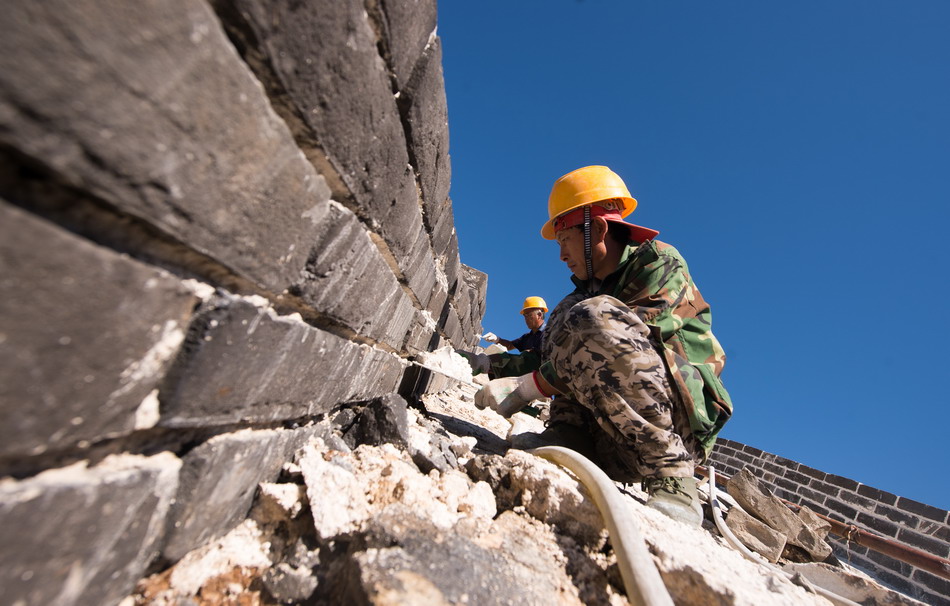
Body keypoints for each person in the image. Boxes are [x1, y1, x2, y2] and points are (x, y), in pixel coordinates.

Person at [474, 165, 733, 525]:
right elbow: (551, 357)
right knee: (569, 318)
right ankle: (571, 437)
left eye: (564, 240)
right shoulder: (585, 294)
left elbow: (626, 344)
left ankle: (672, 476)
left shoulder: (658, 264)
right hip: (613, 436)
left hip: (676, 426)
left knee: (591, 318)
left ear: (596, 229)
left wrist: (526, 389)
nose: (561, 254)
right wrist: (489, 367)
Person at [457, 296, 547, 379]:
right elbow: (510, 345)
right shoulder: (527, 337)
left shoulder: (548, 333)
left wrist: (532, 352)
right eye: (524, 316)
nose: (526, 319)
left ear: (539, 315)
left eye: (528, 315)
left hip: (539, 375)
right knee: (495, 368)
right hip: (527, 375)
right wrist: (497, 339)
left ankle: (470, 363)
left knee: (499, 361)